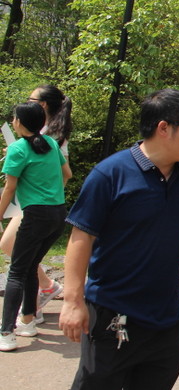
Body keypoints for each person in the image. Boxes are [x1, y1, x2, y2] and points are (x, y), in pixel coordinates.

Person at [59, 89, 179, 389]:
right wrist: (73, 301)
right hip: (113, 315)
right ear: (164, 128)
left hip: (166, 319)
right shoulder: (110, 174)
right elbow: (81, 236)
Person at [0, 102, 71, 352]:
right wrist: (51, 194)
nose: (13, 121)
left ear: (20, 122)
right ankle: (28, 321)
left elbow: (9, 187)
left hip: (35, 215)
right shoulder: (50, 143)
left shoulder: (18, 149)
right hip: (57, 213)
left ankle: (6, 332)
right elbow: (67, 174)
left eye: (14, 118)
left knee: (16, 272)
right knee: (30, 266)